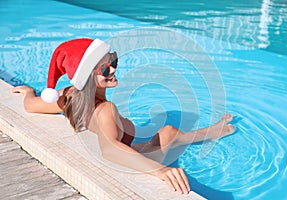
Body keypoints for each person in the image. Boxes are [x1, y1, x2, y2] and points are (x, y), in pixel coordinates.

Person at [12, 38, 236, 195]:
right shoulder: (106, 109)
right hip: (136, 159)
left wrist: (29, 92)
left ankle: (207, 132)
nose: (113, 70)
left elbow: (31, 106)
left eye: (114, 62)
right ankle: (214, 131)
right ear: (87, 77)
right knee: (169, 132)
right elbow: (109, 149)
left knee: (166, 133)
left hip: (128, 148)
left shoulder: (68, 96)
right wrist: (160, 170)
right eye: (105, 69)